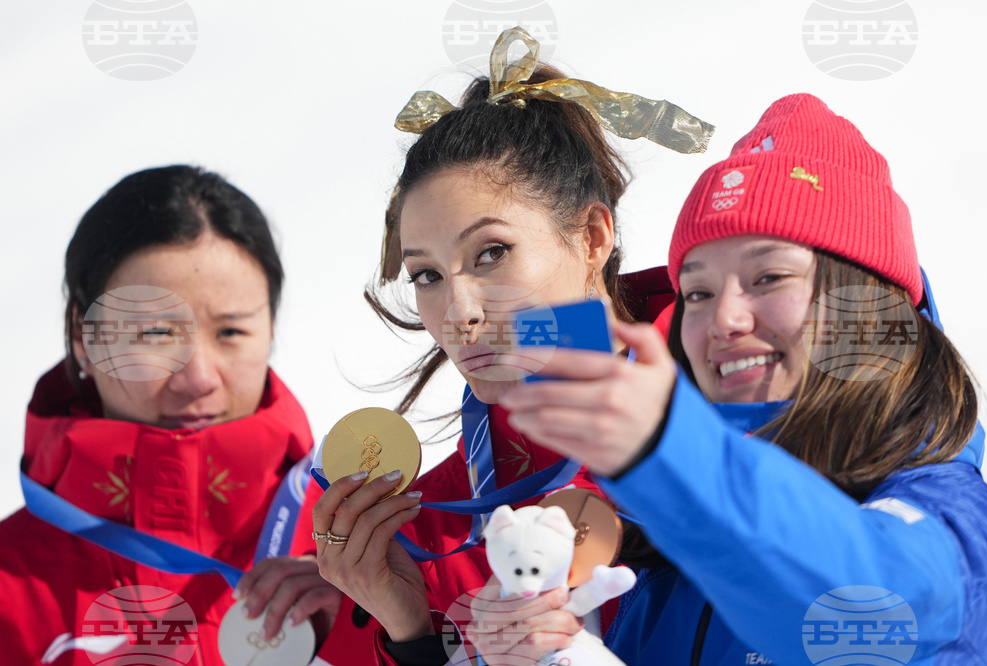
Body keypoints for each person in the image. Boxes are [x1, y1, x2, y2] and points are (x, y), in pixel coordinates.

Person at [489, 94, 987, 664]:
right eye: (699, 292)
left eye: (770, 276)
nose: (724, 320)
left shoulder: (954, 521)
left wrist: (666, 450)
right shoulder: (659, 547)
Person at [308, 27, 712, 666]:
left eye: (491, 253)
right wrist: (411, 635)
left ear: (591, 236)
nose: (460, 313)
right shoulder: (430, 528)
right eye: (427, 275)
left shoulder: (748, 415)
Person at [0, 165, 344, 665]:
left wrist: (375, 635)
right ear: (83, 336)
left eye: (230, 333)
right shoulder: (10, 586)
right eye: (155, 335)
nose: (198, 377)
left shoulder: (368, 542)